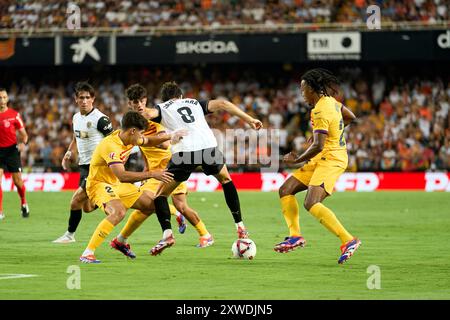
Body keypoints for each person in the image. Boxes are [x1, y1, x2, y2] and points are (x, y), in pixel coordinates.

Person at [142, 81, 263, 256]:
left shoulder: (162, 107)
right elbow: (223, 104)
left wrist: (140, 109)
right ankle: (241, 227)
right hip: (208, 149)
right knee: (226, 180)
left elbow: (148, 113)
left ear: (165, 98)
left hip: (184, 153)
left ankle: (167, 234)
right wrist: (250, 119)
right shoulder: (195, 103)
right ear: (181, 96)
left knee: (160, 196)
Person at [110, 84, 214, 256]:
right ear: (129, 103)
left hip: (170, 167)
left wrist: (146, 139)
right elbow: (144, 150)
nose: (139, 105)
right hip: (155, 172)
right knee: (157, 206)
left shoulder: (155, 119)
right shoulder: (132, 122)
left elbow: (166, 143)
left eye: (142, 101)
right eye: (135, 102)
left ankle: (203, 234)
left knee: (173, 206)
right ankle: (203, 233)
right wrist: (145, 167)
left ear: (146, 100)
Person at [274, 68, 361, 264]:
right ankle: (295, 236)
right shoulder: (332, 102)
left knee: (311, 202)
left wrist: (296, 160)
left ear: (313, 89)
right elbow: (350, 117)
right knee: (286, 189)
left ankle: (349, 240)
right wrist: (331, 133)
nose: (302, 94)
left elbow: (318, 145)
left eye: (303, 90)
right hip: (322, 157)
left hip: (331, 158)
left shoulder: (321, 109)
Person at [79, 111, 184, 263]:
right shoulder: (110, 146)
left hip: (116, 184)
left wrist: (170, 135)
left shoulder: (129, 138)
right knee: (118, 212)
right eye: (140, 133)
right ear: (132, 131)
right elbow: (122, 175)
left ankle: (120, 241)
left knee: (152, 204)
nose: (141, 137)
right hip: (99, 184)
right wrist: (152, 174)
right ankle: (87, 253)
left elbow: (148, 141)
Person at [53, 82, 113, 243]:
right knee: (86, 207)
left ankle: (69, 235)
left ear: (93, 99)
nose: (84, 101)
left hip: (98, 167)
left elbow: (114, 142)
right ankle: (111, 203)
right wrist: (68, 152)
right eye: (81, 97)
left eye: (88, 97)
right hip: (84, 166)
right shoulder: (76, 117)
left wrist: (112, 163)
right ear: (76, 99)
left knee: (75, 201)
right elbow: (75, 137)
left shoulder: (101, 119)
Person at [0, 87, 29, 220]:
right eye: (0, 98)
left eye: (4, 97)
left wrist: (23, 143)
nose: (2, 100)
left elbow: (24, 135)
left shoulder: (14, 115)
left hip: (12, 151)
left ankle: (23, 202)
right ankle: (0, 211)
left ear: (8, 98)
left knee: (18, 182)